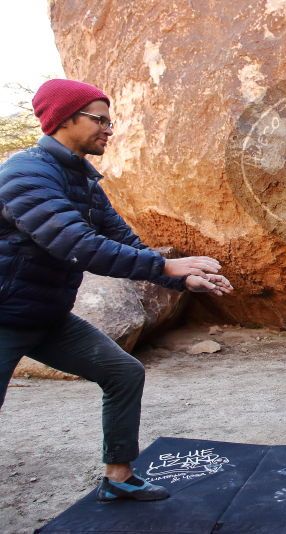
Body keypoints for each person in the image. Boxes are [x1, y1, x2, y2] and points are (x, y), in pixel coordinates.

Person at [0, 79, 233, 502]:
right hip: (3, 316)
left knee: (123, 372)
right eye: (99, 119)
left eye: (110, 120)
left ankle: (119, 477)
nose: (109, 128)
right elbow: (76, 244)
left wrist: (181, 279)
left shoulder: (85, 182)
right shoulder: (24, 173)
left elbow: (125, 243)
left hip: (46, 317)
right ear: (63, 118)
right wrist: (165, 264)